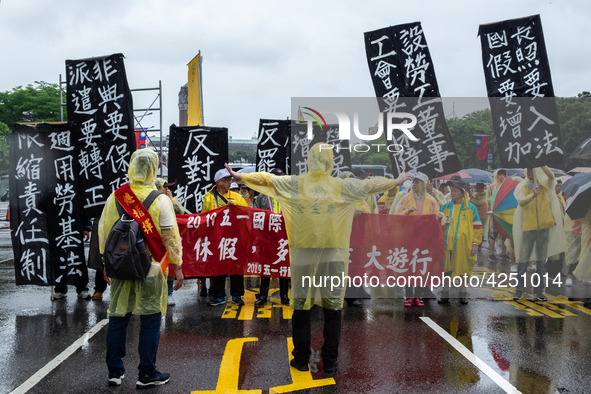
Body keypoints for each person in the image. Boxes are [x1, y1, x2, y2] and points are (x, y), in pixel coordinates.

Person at [225, 143, 413, 378]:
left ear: (309, 160)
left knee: (301, 308)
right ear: (330, 162)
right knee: (333, 309)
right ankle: (330, 362)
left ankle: (302, 358)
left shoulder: (295, 184)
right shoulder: (340, 186)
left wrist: (241, 175)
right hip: (333, 257)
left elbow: (268, 180)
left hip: (303, 257)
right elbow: (369, 185)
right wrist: (395, 181)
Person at [99, 149, 184, 388]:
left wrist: (106, 264)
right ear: (154, 169)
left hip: (121, 266)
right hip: (153, 268)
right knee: (150, 319)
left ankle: (114, 372)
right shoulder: (161, 199)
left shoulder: (116, 196)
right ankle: (147, 373)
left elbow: (104, 232)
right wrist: (177, 266)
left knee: (118, 317)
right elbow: (169, 236)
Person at [512, 166, 565, 301]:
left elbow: (552, 177)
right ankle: (519, 290)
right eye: (528, 169)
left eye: (532, 169)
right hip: (528, 228)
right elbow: (521, 201)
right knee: (523, 261)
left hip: (544, 227)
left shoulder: (544, 185)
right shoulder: (522, 186)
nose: (529, 171)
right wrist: (532, 195)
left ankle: (539, 290)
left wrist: (542, 164)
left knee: (541, 262)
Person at [392, 172, 444, 307]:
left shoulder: (431, 200)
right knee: (409, 266)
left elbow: (438, 219)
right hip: (408, 238)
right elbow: (396, 217)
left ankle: (418, 295)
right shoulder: (405, 199)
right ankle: (409, 295)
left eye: (416, 182)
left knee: (421, 266)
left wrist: (439, 217)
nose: (414, 185)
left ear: (422, 185)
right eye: (413, 182)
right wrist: (407, 212)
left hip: (425, 239)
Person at [203, 168, 249, 306]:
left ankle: (237, 296)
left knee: (236, 266)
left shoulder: (237, 197)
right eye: (226, 180)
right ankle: (218, 296)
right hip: (217, 237)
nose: (230, 182)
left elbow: (247, 212)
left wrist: (236, 207)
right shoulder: (209, 196)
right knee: (218, 267)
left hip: (235, 237)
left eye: (230, 179)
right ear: (218, 182)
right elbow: (204, 216)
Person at [438, 175, 483, 305]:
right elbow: (438, 226)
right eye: (451, 190)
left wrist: (475, 243)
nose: (452, 193)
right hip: (447, 245)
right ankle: (445, 294)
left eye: (455, 191)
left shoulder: (470, 208)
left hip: (464, 245)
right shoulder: (445, 208)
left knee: (464, 269)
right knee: (446, 269)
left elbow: (478, 227)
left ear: (462, 193)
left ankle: (462, 294)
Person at [253, 168, 290, 306]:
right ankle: (263, 296)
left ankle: (284, 295)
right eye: (278, 178)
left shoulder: (287, 196)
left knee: (284, 266)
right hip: (266, 237)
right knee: (265, 267)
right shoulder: (262, 196)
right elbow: (255, 215)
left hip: (283, 237)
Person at [155, 178, 185, 306]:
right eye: (164, 187)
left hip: (167, 239)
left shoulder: (168, 200)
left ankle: (168, 294)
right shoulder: (152, 199)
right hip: (154, 239)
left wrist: (171, 199)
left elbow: (180, 211)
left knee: (168, 267)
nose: (167, 190)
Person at [487, 169, 508, 262]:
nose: (502, 176)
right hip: (494, 214)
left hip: (504, 214)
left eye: (503, 174)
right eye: (500, 174)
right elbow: (487, 199)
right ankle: (491, 253)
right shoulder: (492, 187)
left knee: (504, 234)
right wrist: (496, 197)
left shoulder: (507, 186)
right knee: (493, 234)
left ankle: (503, 253)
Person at [470, 183, 489, 249]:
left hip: (483, 214)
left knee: (481, 229)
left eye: (478, 187)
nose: (477, 188)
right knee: (476, 228)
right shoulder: (475, 194)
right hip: (476, 213)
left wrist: (472, 200)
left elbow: (482, 203)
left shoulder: (485, 194)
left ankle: (480, 244)